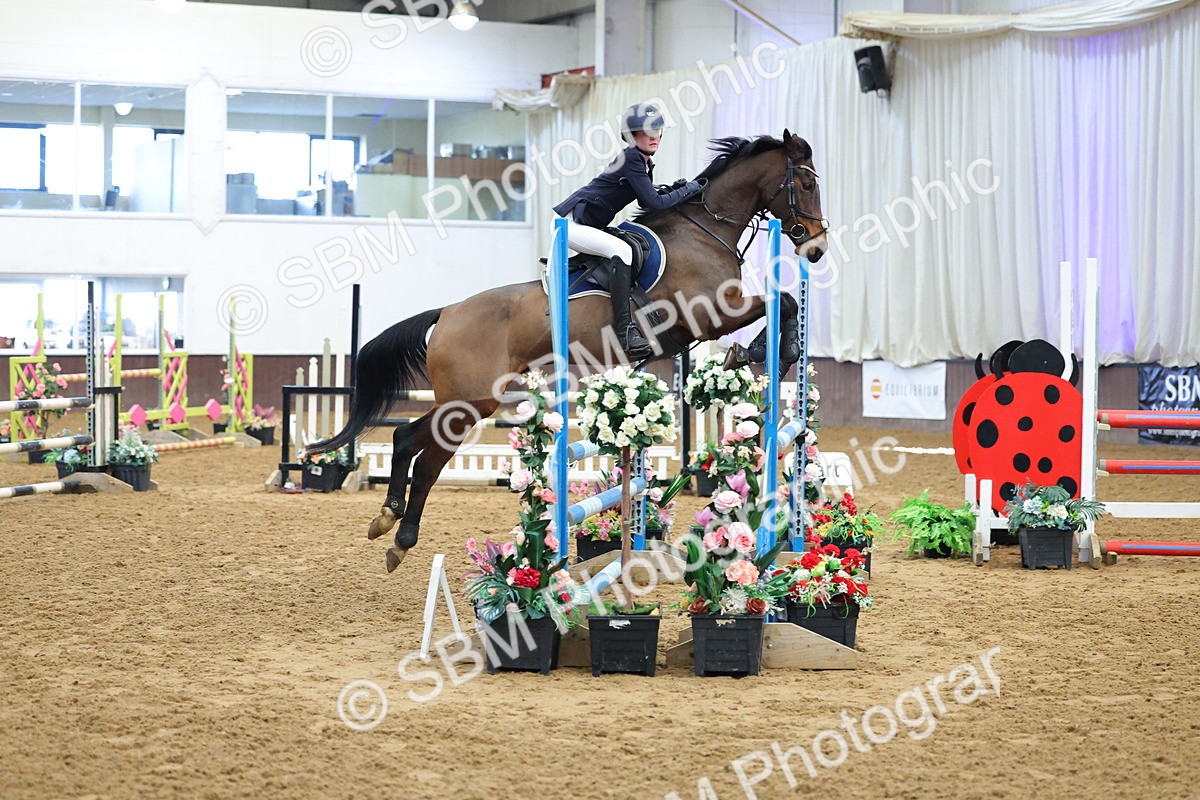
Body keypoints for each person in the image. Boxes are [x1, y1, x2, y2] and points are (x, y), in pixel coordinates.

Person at [553, 102, 704, 358]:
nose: (654, 136)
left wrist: (675, 189)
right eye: (646, 132)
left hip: (584, 222)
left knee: (625, 245)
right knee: (622, 250)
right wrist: (688, 189)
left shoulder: (642, 160)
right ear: (632, 136)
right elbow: (655, 204)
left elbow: (647, 200)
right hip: (570, 223)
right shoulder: (633, 157)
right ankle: (624, 331)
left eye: (657, 130)